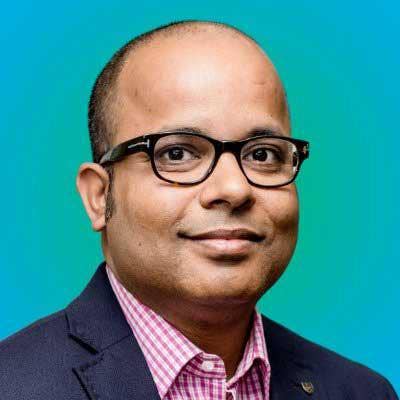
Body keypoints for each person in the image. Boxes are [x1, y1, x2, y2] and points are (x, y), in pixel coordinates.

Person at [0, 20, 397, 400]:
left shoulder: (362, 392)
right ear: (100, 196)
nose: (234, 189)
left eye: (262, 154)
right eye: (177, 154)